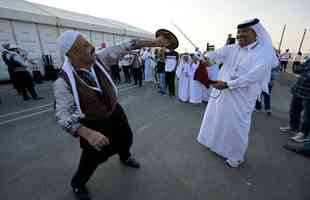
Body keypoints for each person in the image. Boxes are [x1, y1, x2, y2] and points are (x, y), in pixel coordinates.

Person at [54, 30, 169, 200]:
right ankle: (78, 185)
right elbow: (61, 116)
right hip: (93, 123)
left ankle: (125, 157)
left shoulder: (100, 58)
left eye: (89, 43)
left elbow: (127, 45)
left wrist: (154, 42)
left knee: (126, 137)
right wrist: (86, 133)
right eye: (86, 46)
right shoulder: (62, 82)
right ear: (73, 54)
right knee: (91, 159)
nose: (92, 47)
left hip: (115, 111)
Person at [197, 18, 279, 168]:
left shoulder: (264, 53)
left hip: (242, 96)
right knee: (218, 118)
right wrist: (208, 60)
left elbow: (253, 76)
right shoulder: (233, 48)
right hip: (222, 91)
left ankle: (236, 156)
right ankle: (214, 144)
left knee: (236, 125)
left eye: (244, 32)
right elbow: (216, 54)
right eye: (238, 33)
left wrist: (229, 84)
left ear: (255, 33)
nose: (240, 35)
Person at [280, 58, 310, 143]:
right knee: (294, 109)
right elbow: (297, 69)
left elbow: (304, 72)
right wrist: (305, 70)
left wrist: (304, 70)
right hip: (299, 88)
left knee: (307, 116)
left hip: (308, 93)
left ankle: (303, 134)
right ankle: (293, 127)